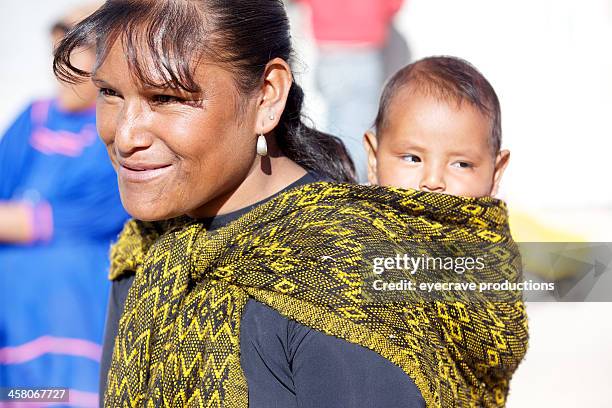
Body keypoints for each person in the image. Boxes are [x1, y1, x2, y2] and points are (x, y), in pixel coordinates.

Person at [54, 1, 527, 407]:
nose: (125, 134)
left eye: (166, 97)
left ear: (266, 97)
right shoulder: (148, 251)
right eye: (110, 93)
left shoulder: (343, 276)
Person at [0, 3, 128, 403]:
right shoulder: (34, 118)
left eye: (75, 56)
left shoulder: (117, 132)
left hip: (74, 301)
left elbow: (78, 218)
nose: (62, 72)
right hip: (13, 299)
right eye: (58, 56)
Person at [364, 56, 510, 198]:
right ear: (374, 160)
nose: (433, 182)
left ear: (496, 173)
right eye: (412, 159)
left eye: (461, 164)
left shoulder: (506, 222)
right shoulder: (352, 219)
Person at [295, 0, 405, 182]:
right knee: (357, 132)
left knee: (337, 126)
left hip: (328, 52)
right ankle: (348, 189)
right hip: (362, 51)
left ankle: (336, 183)